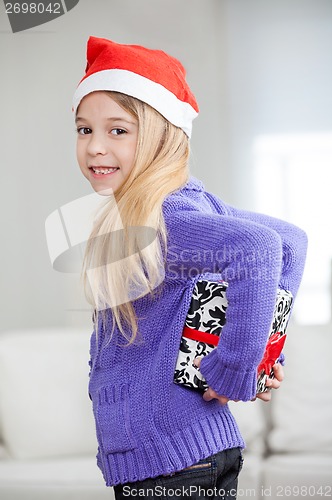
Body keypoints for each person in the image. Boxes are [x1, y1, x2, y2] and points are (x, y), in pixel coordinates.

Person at [72, 36, 307, 499]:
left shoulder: (164, 218)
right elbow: (291, 242)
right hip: (196, 452)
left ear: (162, 136)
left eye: (118, 130)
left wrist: (238, 368)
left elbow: (260, 249)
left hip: (170, 464)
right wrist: (263, 355)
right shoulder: (185, 205)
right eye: (84, 130)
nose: (96, 147)